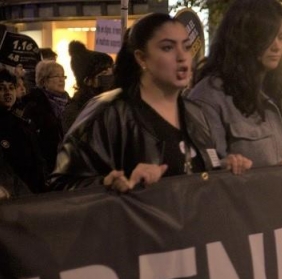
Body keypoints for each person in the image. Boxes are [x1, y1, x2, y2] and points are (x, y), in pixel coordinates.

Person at [49, 13, 251, 191]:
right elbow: (61, 186)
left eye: (187, 47)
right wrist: (109, 184)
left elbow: (196, 177)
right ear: (141, 58)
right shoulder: (108, 112)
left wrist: (220, 169)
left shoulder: (195, 113)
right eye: (167, 47)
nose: (182, 56)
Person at [189, 0, 282, 169]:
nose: (277, 46)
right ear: (242, 38)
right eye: (267, 37)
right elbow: (208, 172)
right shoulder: (211, 96)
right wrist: (269, 177)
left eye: (281, 37)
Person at [0, 68, 45, 196]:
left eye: (11, 87)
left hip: (32, 196)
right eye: (1, 88)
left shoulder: (23, 122)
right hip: (12, 198)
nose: (7, 92)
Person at [22, 60, 69, 173]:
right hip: (48, 166)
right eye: (56, 76)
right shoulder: (34, 106)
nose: (61, 79)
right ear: (44, 81)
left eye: (63, 76)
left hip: (68, 164)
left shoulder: (70, 103)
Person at [62, 41, 115, 130]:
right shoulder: (76, 111)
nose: (110, 77)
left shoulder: (113, 103)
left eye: (111, 71)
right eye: (104, 73)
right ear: (88, 81)